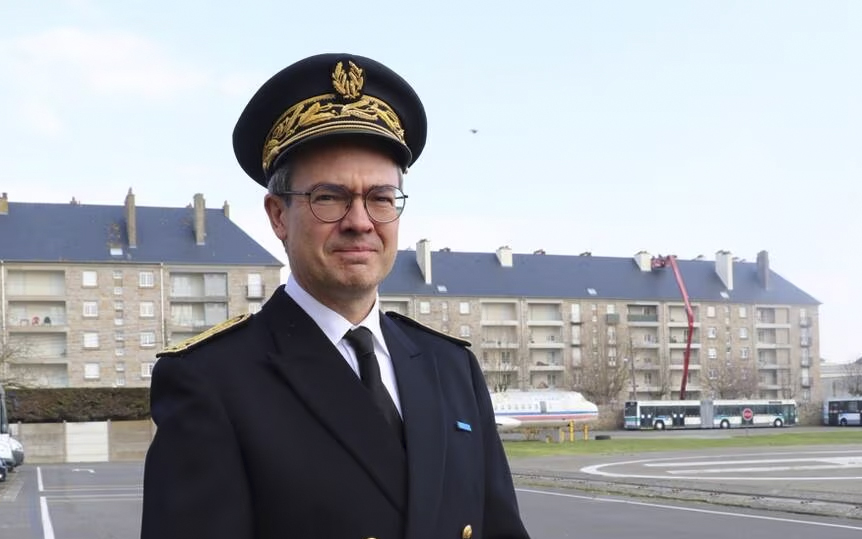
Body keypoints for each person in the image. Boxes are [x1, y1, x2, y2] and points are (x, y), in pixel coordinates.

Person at [140, 53, 531, 539]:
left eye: (381, 198)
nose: (360, 221)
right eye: (329, 197)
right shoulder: (211, 379)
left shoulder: (450, 367)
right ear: (278, 216)